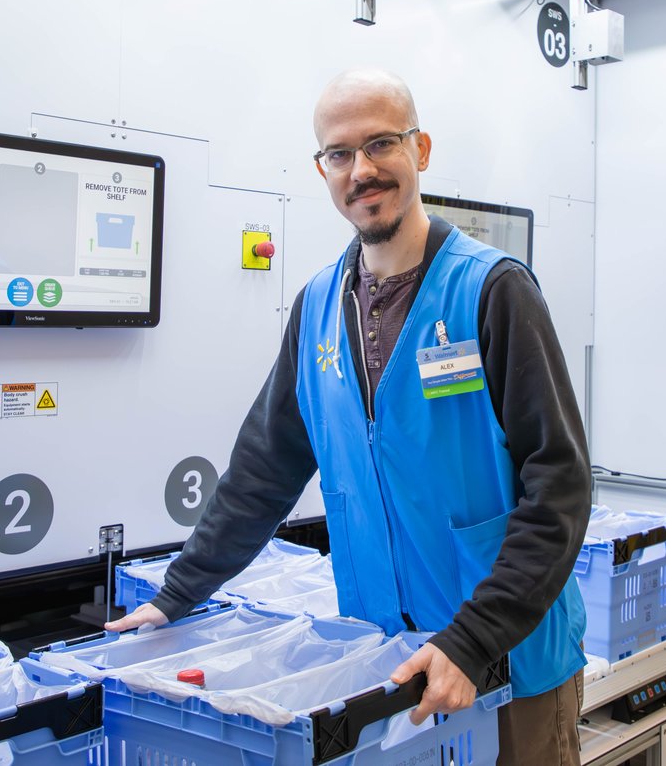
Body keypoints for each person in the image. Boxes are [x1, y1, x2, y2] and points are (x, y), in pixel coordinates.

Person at [106, 68, 591, 765]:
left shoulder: (491, 290)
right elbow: (263, 470)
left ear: (421, 151)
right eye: (340, 154)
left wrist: (474, 636)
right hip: (382, 660)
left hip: (508, 658)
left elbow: (562, 487)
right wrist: (180, 590)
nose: (362, 170)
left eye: (382, 144)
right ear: (323, 170)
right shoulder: (316, 308)